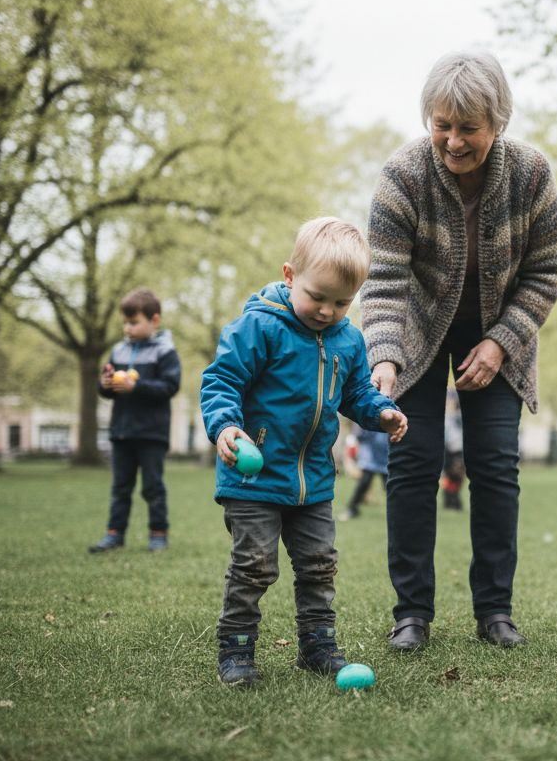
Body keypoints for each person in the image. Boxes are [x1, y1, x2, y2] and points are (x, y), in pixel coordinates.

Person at [362, 51, 557, 651]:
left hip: (501, 329)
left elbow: (547, 271)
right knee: (412, 463)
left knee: (496, 466)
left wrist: (501, 344)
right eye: (441, 124)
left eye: (468, 128)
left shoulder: (530, 174)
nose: (453, 140)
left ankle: (495, 612)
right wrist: (385, 360)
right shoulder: (403, 175)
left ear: (497, 122)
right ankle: (412, 614)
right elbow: (385, 281)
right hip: (418, 331)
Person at [200, 217, 409, 687]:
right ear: (290, 275)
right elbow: (221, 381)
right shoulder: (259, 327)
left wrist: (380, 411)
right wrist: (227, 427)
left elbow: (355, 392)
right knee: (254, 565)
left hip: (313, 481)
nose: (326, 311)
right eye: (317, 296)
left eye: (341, 302)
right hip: (253, 478)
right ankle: (236, 650)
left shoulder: (349, 340)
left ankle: (317, 647)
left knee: (319, 565)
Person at [89, 288, 182, 554]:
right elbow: (105, 389)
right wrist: (105, 384)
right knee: (120, 487)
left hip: (152, 433)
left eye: (134, 322)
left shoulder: (165, 352)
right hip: (122, 431)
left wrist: (136, 387)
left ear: (154, 320)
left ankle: (158, 534)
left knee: (152, 486)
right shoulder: (118, 351)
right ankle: (114, 534)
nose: (127, 328)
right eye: (125, 323)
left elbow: (169, 386)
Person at [340, 427, 389, 521]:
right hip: (370, 457)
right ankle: (352, 509)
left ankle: (398, 511)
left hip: (385, 457)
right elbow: (359, 435)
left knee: (389, 486)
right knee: (364, 483)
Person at [440, 387, 466, 511]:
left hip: (458, 450)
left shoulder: (459, 417)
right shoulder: (446, 417)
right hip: (448, 450)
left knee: (458, 476)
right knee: (449, 476)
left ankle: (454, 499)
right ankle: (449, 498)